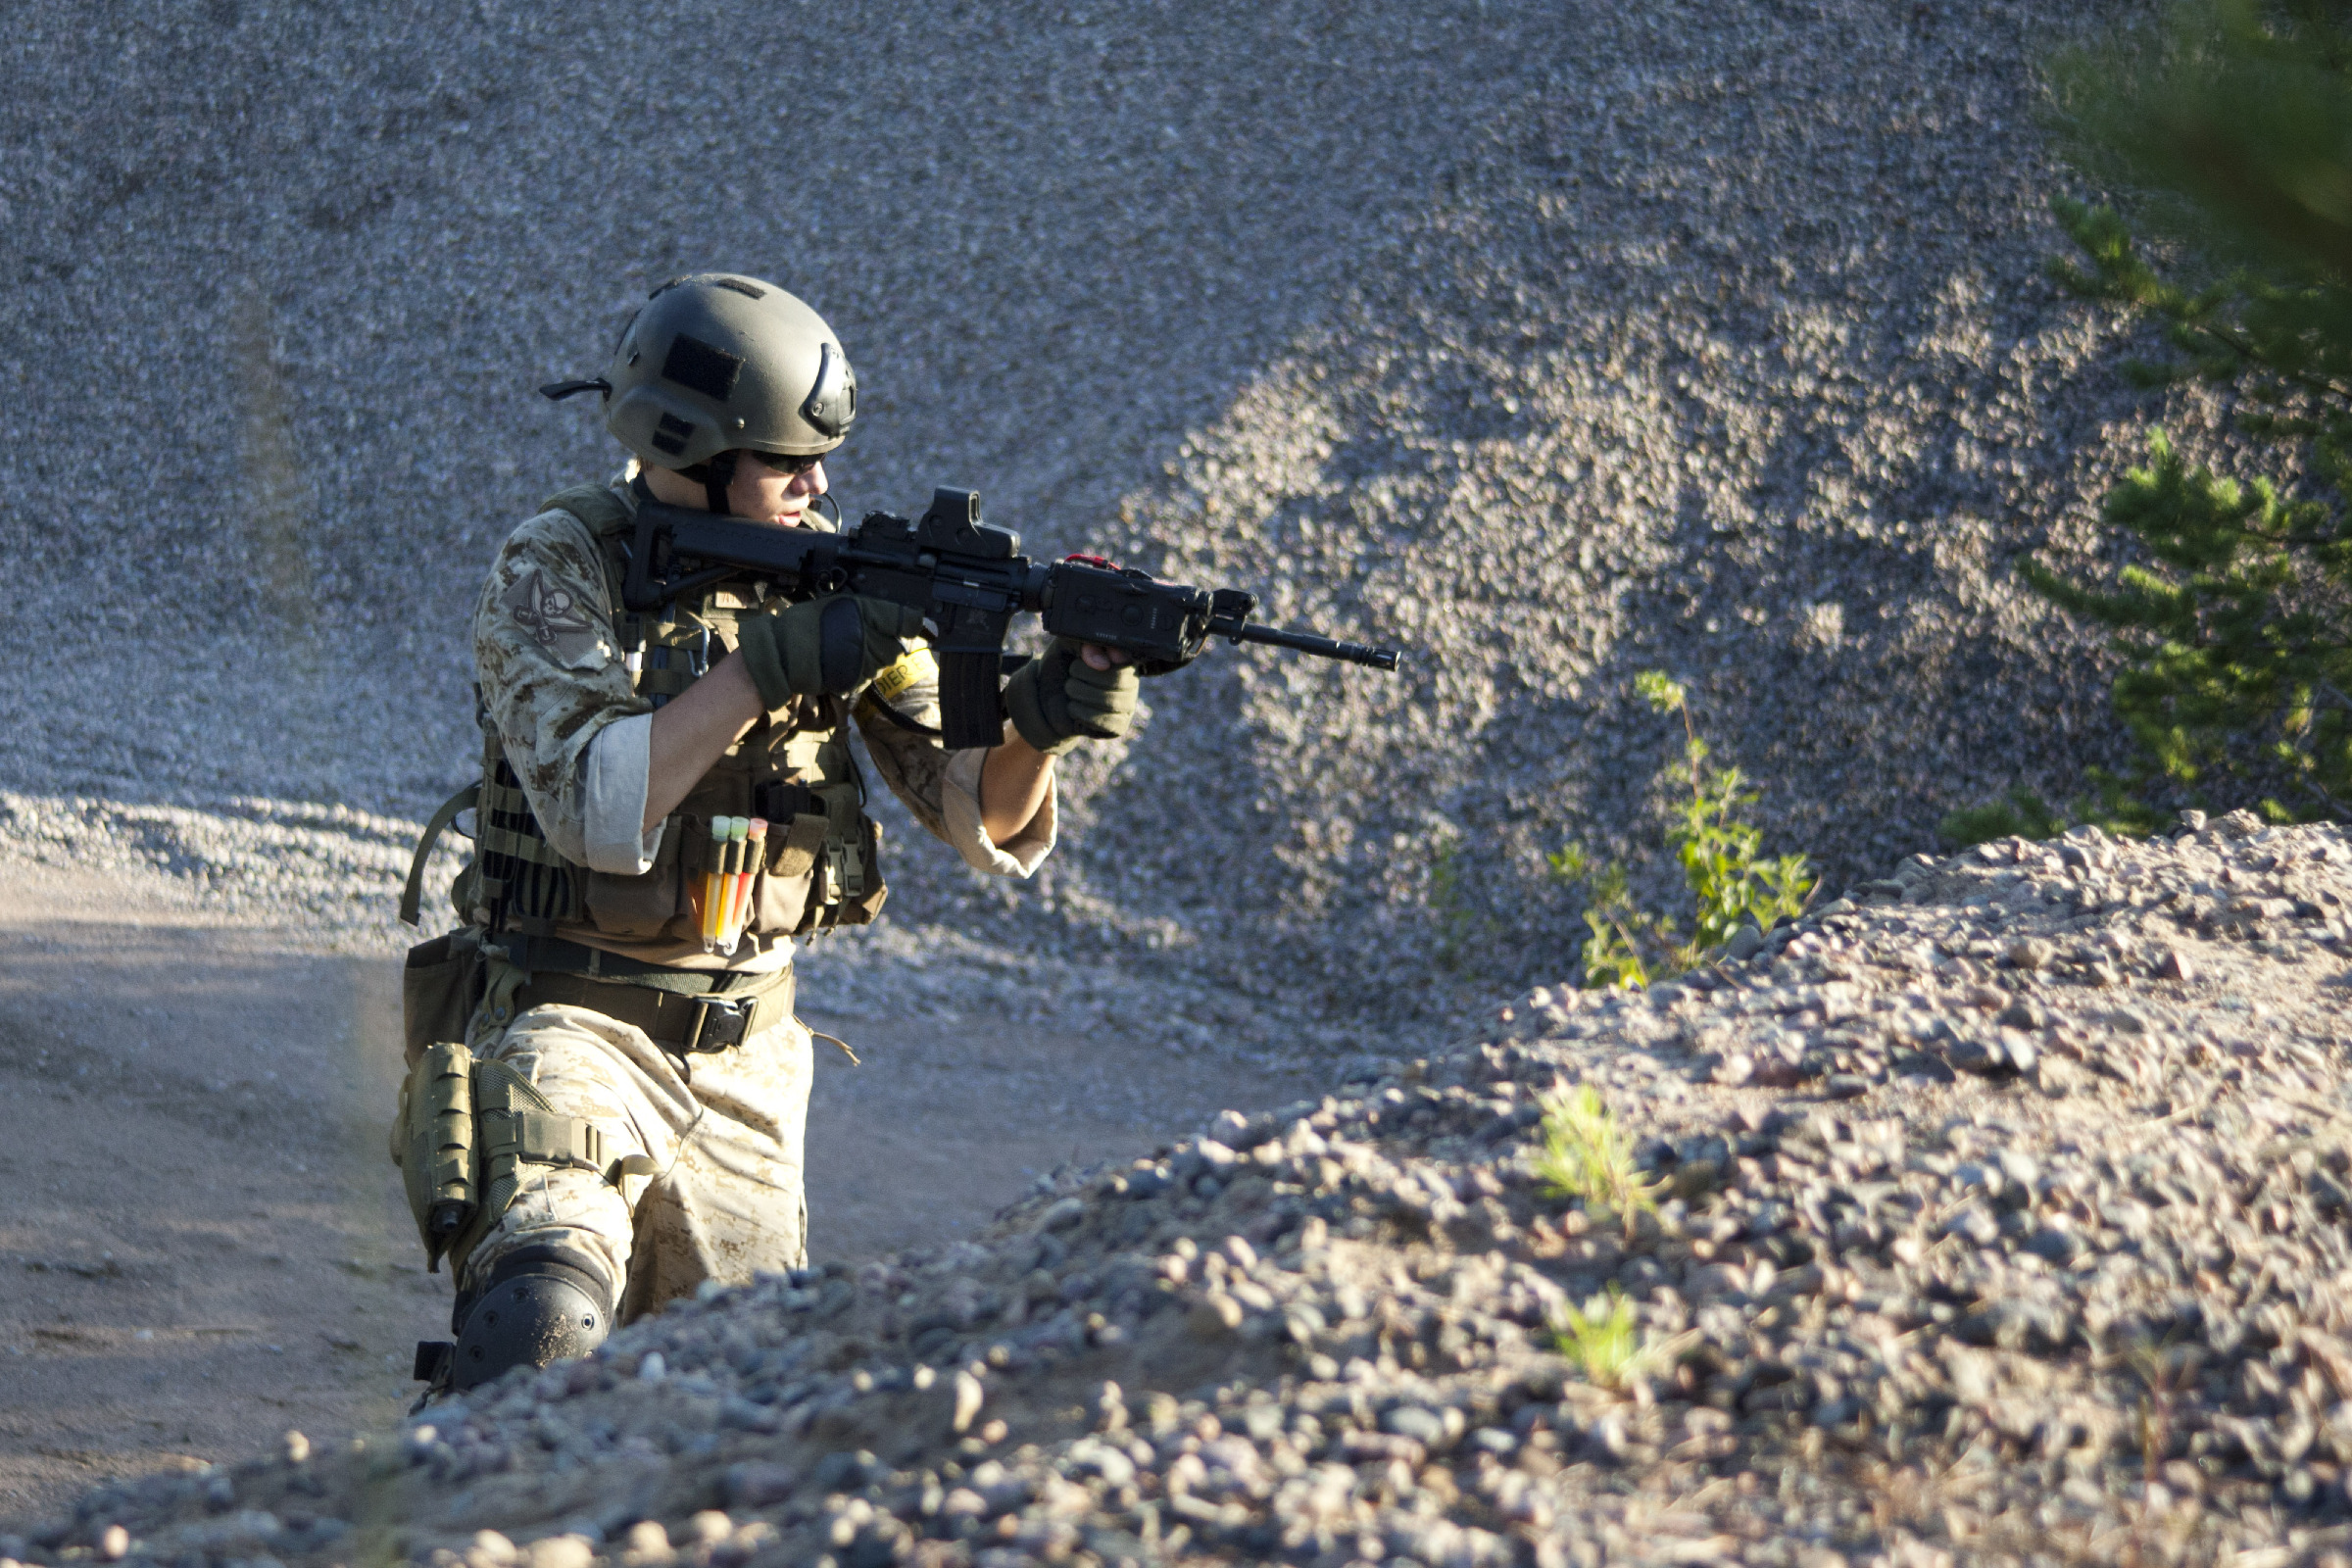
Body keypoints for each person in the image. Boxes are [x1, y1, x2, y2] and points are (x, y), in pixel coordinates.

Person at [394, 272, 1137, 1394]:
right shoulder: (560, 567)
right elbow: (595, 805)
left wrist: (1042, 721)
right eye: (788, 462)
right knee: (538, 1321)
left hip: (750, 1062)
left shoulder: (836, 575)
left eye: (820, 461)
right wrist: (768, 667)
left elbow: (972, 805)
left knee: (734, 1399)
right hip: (569, 1024)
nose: (817, 485)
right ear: (690, 447)